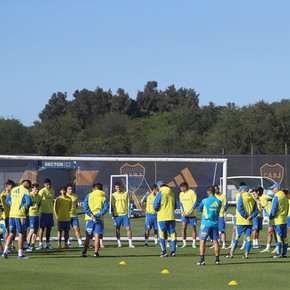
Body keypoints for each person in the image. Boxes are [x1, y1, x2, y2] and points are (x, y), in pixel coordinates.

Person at [225, 185, 258, 259]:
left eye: (240, 190)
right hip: (249, 222)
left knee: (236, 237)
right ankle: (246, 255)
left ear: (244, 190)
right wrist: (251, 217)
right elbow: (256, 210)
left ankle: (231, 253)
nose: (240, 191)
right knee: (248, 238)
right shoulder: (252, 198)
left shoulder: (241, 197)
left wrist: (246, 216)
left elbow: (239, 208)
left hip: (241, 221)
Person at [2, 180, 32, 259]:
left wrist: (13, 206)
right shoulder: (25, 191)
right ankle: (20, 254)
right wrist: (25, 209)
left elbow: (7, 200)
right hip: (20, 215)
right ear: (27, 185)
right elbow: (29, 202)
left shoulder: (14, 189)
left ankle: (5, 252)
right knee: (21, 234)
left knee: (12, 233)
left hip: (12, 214)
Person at [196, 185, 222, 266]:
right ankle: (217, 260)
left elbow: (199, 209)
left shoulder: (205, 200)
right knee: (215, 241)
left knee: (202, 241)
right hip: (215, 223)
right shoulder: (218, 201)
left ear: (208, 192)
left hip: (206, 223)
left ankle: (202, 260)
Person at [82, 183, 108, 258]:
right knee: (97, 236)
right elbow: (105, 208)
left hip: (90, 218)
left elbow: (85, 206)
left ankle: (84, 252)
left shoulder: (89, 195)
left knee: (88, 236)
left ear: (94, 188)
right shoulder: (103, 196)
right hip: (99, 219)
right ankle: (96, 253)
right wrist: (98, 215)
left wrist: (91, 214)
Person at [153, 180, 177, 257]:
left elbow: (155, 205)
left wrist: (158, 209)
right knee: (173, 234)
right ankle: (173, 251)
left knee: (162, 234)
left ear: (159, 186)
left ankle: (164, 251)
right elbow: (175, 206)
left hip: (162, 217)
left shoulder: (160, 193)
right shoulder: (172, 193)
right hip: (171, 216)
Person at [111, 182, 135, 248]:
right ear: (115, 188)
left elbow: (128, 204)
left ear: (121, 187)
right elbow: (112, 206)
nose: (118, 188)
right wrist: (113, 215)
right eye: (117, 187)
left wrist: (129, 213)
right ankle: (119, 243)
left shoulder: (125, 194)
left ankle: (130, 243)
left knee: (128, 228)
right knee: (117, 229)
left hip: (125, 214)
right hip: (117, 215)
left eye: (119, 187)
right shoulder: (113, 195)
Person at [269, 183, 288, 258]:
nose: (272, 190)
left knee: (278, 237)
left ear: (277, 188)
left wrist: (271, 217)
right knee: (285, 237)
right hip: (284, 219)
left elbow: (274, 209)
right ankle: (284, 253)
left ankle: (278, 253)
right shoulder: (285, 196)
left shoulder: (276, 196)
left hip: (277, 220)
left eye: (273, 189)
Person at [179, 182, 198, 248]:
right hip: (184, 215)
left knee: (193, 228)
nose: (181, 189)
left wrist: (189, 213)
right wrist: (183, 212)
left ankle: (194, 244)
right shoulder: (181, 194)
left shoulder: (192, 193)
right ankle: (184, 243)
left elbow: (195, 203)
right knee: (183, 228)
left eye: (181, 188)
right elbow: (181, 204)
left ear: (185, 187)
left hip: (192, 215)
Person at [38, 178, 55, 250]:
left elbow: (52, 201)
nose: (49, 185)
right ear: (44, 185)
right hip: (43, 213)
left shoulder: (52, 191)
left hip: (50, 213)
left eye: (50, 184)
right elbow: (38, 201)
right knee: (42, 228)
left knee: (49, 228)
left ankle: (47, 243)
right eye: (47, 184)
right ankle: (40, 244)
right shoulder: (42, 191)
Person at [26, 183, 42, 251]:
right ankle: (27, 245)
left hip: (36, 215)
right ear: (32, 189)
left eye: (38, 189)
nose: (37, 190)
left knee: (35, 230)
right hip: (31, 215)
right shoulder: (29, 195)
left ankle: (32, 245)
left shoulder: (39, 196)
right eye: (35, 189)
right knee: (31, 230)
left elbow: (39, 205)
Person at [214, 184, 228, 249]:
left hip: (220, 216)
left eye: (217, 189)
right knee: (214, 230)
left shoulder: (223, 196)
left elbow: (226, 206)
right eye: (215, 189)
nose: (216, 190)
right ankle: (215, 243)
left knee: (222, 230)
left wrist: (222, 211)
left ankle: (224, 244)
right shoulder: (213, 196)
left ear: (219, 189)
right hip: (214, 216)